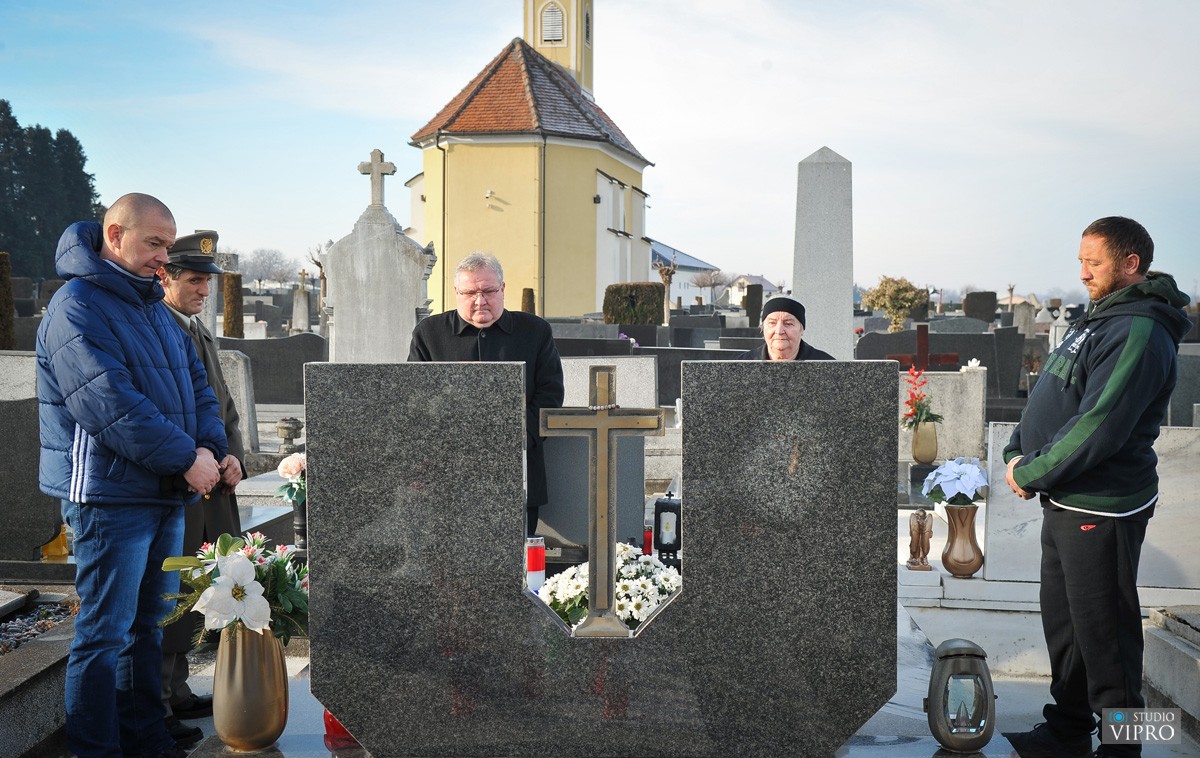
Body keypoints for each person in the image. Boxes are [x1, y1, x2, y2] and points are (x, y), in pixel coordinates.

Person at [36, 193, 227, 758]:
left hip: (162, 493)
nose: (164, 259)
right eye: (154, 244)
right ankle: (96, 749)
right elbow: (107, 403)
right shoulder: (77, 306)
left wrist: (211, 446)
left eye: (168, 246)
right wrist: (187, 458)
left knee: (147, 628)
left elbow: (197, 386)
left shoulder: (149, 305)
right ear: (115, 236)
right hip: (108, 497)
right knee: (103, 635)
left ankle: (146, 740)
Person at [1001, 217, 1191, 758]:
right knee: (1068, 629)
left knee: (1109, 637)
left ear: (1130, 264)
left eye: (1095, 262)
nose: (1082, 272)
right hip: (1065, 500)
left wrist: (1031, 471)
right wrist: (1019, 448)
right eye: (1081, 260)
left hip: (1102, 507)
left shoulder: (1141, 329)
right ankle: (1066, 729)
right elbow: (1053, 391)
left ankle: (1125, 750)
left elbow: (1099, 423)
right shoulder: (1100, 317)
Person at [155, 231, 246, 747]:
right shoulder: (160, 327)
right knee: (173, 595)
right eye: (193, 280)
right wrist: (206, 460)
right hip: (186, 482)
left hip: (219, 480)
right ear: (165, 276)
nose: (203, 290)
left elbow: (224, 407)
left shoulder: (198, 331)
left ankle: (180, 686)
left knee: (197, 592)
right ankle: (160, 701)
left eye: (207, 282)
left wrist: (235, 457)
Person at [408, 252, 564, 534]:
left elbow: (549, 396)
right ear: (456, 292)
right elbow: (414, 399)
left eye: (489, 291)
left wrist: (511, 440)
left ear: (503, 289)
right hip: (445, 477)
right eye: (469, 292)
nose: (480, 300)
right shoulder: (429, 333)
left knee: (515, 567)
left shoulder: (536, 331)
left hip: (516, 470)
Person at [736, 295, 835, 361]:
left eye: (788, 323)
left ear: (802, 330)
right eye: (772, 323)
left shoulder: (829, 366)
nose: (779, 331)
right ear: (763, 328)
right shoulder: (739, 365)